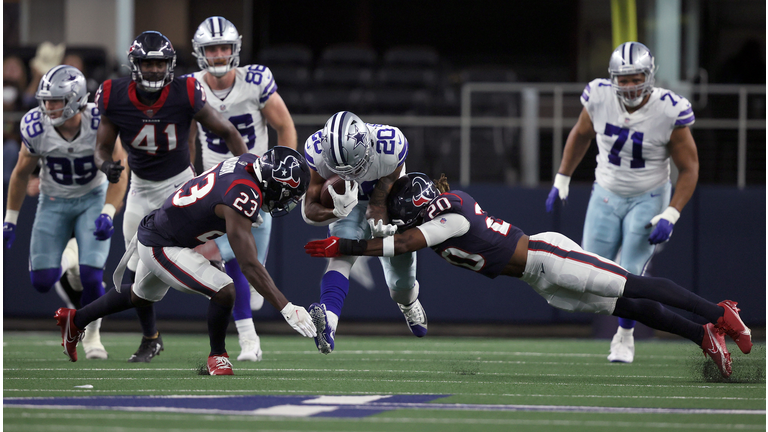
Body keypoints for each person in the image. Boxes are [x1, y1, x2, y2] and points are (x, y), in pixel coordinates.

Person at [305, 173, 752, 378]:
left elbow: (401, 245)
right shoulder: (436, 211)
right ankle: (701, 334)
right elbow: (400, 233)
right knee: (625, 304)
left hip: (547, 255)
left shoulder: (451, 212)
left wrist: (344, 246)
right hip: (537, 280)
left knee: (629, 283)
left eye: (406, 215)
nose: (404, 222)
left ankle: (720, 312)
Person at [55, 147, 317, 375]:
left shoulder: (248, 162)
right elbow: (248, 265)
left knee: (139, 296)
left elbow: (214, 201)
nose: (285, 202)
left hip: (162, 228)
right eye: (286, 194)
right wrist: (287, 308)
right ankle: (219, 356)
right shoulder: (243, 194)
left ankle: (76, 320)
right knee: (225, 290)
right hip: (163, 243)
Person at [93, 31, 248, 363]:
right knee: (135, 274)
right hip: (140, 190)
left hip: (181, 188)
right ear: (135, 65)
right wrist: (105, 165)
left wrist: (247, 174)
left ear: (170, 65)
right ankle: (151, 338)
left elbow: (229, 132)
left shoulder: (185, 92)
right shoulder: (113, 94)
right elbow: (101, 147)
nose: (152, 70)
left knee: (212, 260)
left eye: (159, 63)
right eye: (147, 63)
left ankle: (224, 344)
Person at [545, 42, 699, 363]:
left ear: (649, 76)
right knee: (592, 271)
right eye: (623, 78)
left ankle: (624, 335)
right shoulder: (599, 96)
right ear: (613, 77)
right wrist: (562, 178)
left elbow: (689, 167)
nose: (629, 86)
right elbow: (581, 133)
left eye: (635, 77)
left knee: (630, 272)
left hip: (650, 195)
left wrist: (671, 213)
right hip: (606, 192)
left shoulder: (669, 109)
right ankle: (624, 328)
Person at [187, 16, 299, 362]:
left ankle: (249, 294)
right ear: (200, 52)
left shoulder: (255, 81)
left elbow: (285, 125)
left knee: (251, 270)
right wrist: (189, 174)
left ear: (234, 50)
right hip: (217, 181)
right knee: (235, 256)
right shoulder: (191, 86)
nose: (219, 55)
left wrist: (287, 171)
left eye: (224, 48)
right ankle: (249, 340)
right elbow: (185, 137)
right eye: (212, 49)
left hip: (258, 179)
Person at [3, 65, 129, 359]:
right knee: (42, 281)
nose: (48, 106)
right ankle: (72, 255)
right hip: (53, 199)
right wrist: (9, 219)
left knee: (91, 275)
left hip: (92, 197)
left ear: (75, 99)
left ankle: (93, 337)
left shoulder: (99, 121)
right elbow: (21, 173)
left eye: (56, 100)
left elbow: (120, 169)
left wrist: (109, 211)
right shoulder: (36, 126)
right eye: (46, 100)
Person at [301, 111, 426, 355]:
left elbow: (382, 195)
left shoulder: (390, 144)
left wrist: (380, 214)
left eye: (355, 167)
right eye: (341, 170)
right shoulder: (315, 149)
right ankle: (328, 322)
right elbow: (309, 211)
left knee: (400, 285)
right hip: (347, 205)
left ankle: (409, 302)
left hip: (390, 199)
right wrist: (335, 212)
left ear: (367, 147)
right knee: (341, 253)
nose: (349, 175)